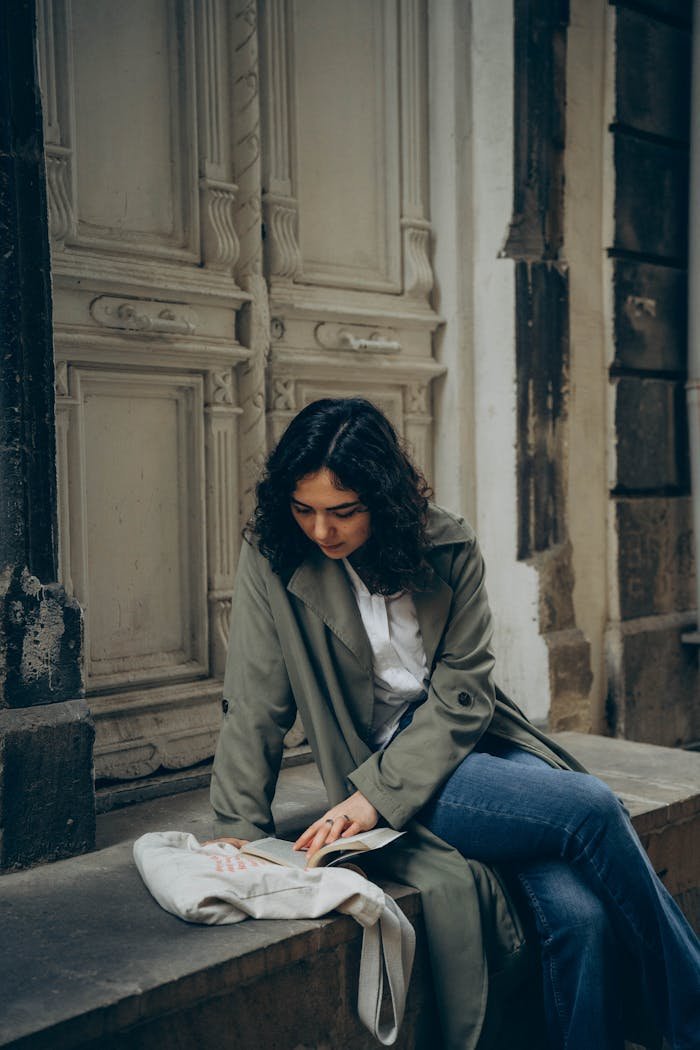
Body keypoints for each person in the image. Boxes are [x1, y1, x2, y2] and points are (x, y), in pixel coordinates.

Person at [210, 397, 700, 1050]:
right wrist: (242, 832)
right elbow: (255, 702)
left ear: (380, 499)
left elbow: (463, 689)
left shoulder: (447, 543)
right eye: (305, 509)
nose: (321, 530)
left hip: (474, 736)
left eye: (343, 511)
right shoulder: (273, 555)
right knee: (589, 808)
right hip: (382, 767)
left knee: (581, 915)